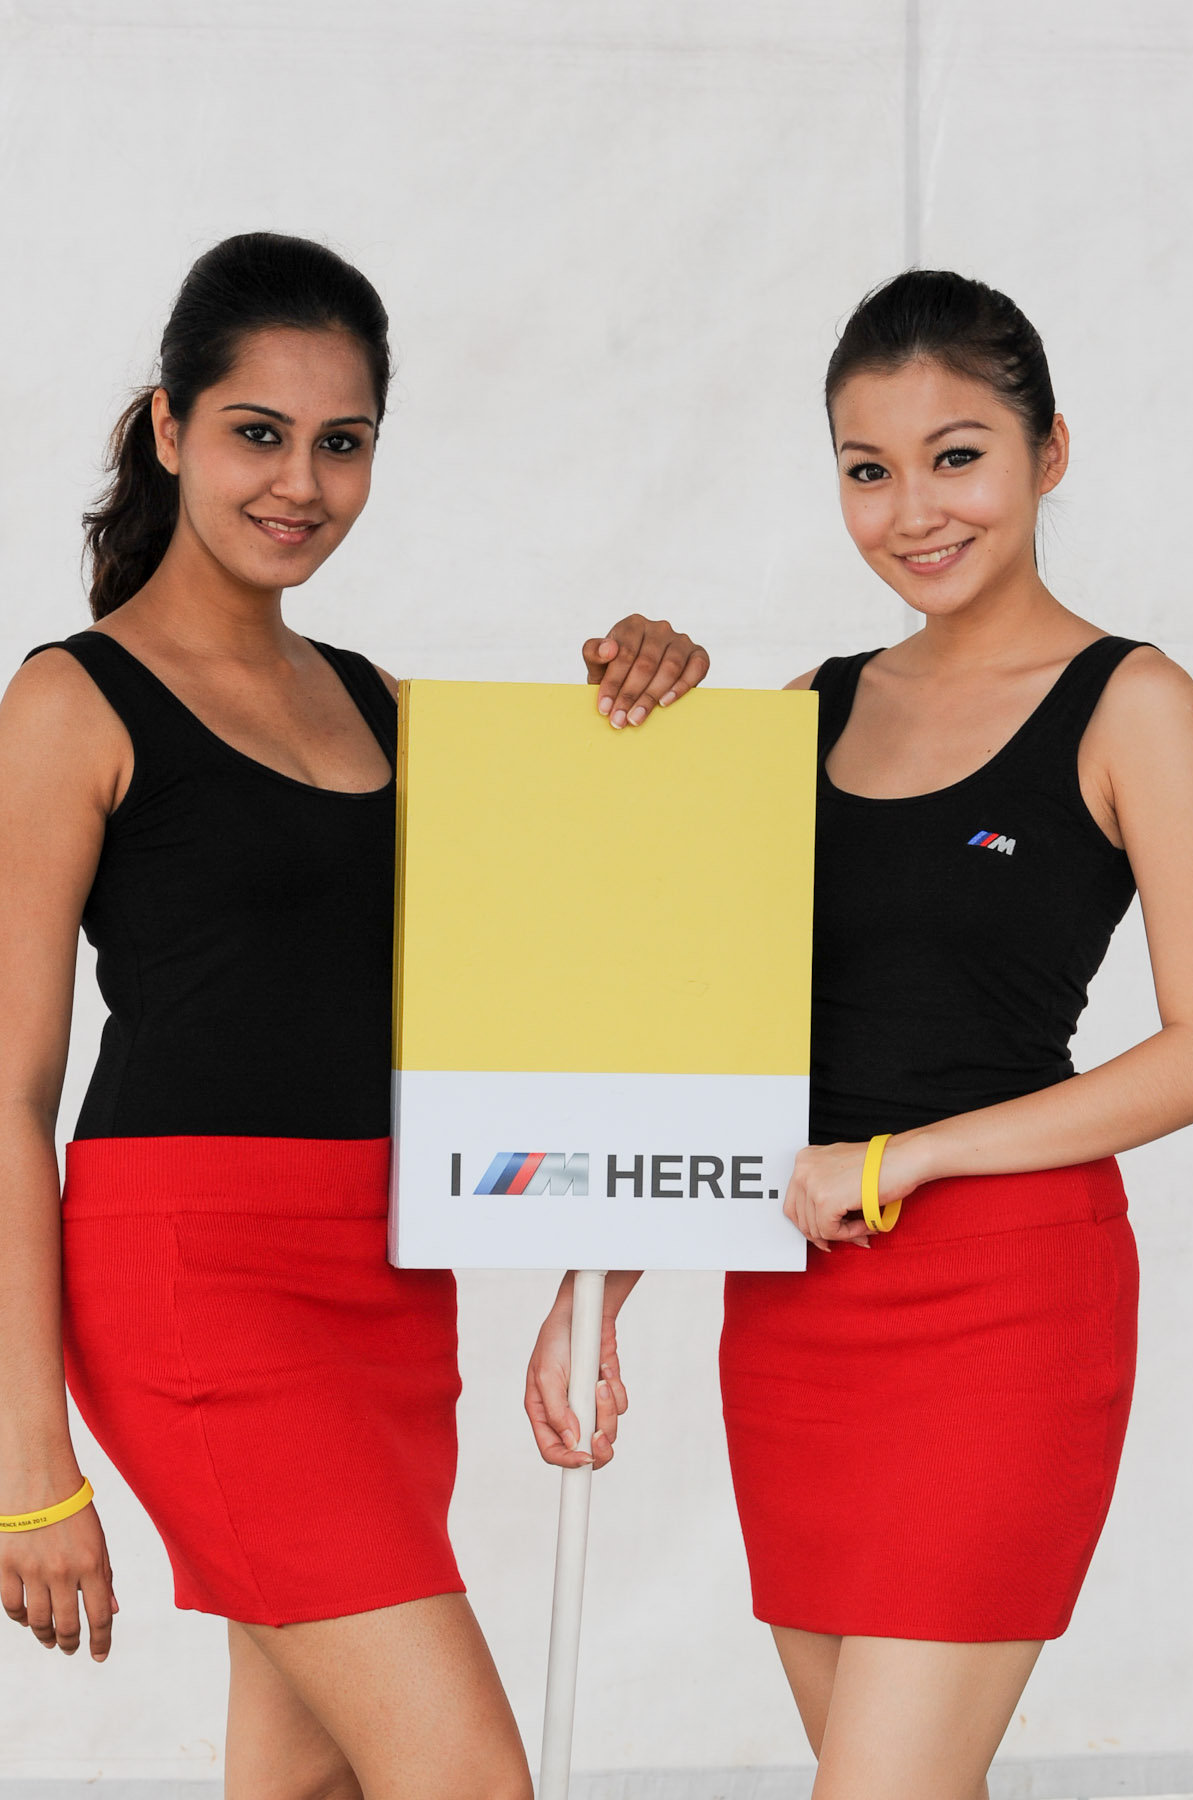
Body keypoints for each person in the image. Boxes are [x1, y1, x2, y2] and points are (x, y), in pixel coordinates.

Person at [0, 230, 709, 1800]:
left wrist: (648, 712)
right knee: (463, 1775)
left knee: (308, 1779)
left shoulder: (381, 701)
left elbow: (571, 946)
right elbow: (8, 1089)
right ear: (171, 426)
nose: (301, 483)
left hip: (386, 1276)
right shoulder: (71, 702)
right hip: (195, 1283)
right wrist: (24, 1458)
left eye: (343, 442)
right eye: (258, 432)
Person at [527, 268, 1193, 1799]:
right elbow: (719, 1028)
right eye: (866, 469)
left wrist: (899, 1161)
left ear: (1048, 451)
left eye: (956, 456)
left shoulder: (1130, 703)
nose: (912, 511)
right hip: (793, 1311)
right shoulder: (806, 709)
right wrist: (600, 1276)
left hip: (1002, 1301)